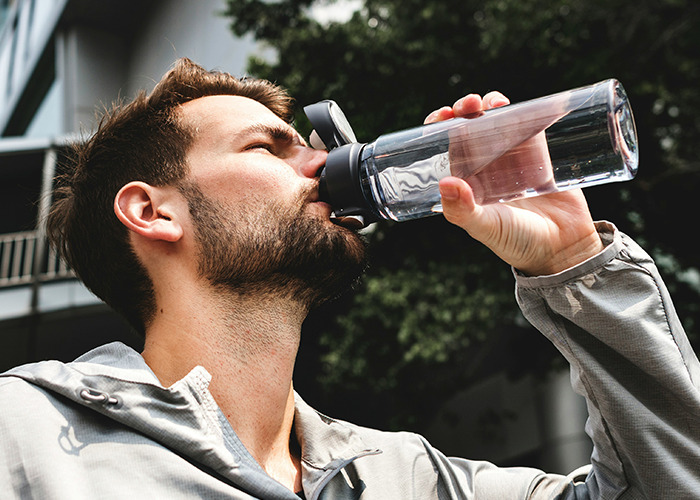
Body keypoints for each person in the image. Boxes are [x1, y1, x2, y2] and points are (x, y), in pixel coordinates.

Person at [0, 58, 698, 499]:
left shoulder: (410, 478)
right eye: (269, 147)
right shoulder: (26, 436)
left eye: (311, 147)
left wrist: (573, 262)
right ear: (152, 211)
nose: (319, 167)